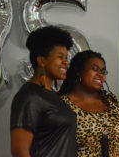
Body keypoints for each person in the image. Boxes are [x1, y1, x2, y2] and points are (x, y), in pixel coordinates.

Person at [10, 26, 77, 157]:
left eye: (66, 58)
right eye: (60, 57)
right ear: (42, 61)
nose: (66, 63)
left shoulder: (53, 95)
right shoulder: (30, 96)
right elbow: (19, 151)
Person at [58, 50, 119, 157]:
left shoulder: (112, 101)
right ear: (78, 71)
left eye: (103, 71)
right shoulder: (63, 105)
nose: (100, 75)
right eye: (94, 69)